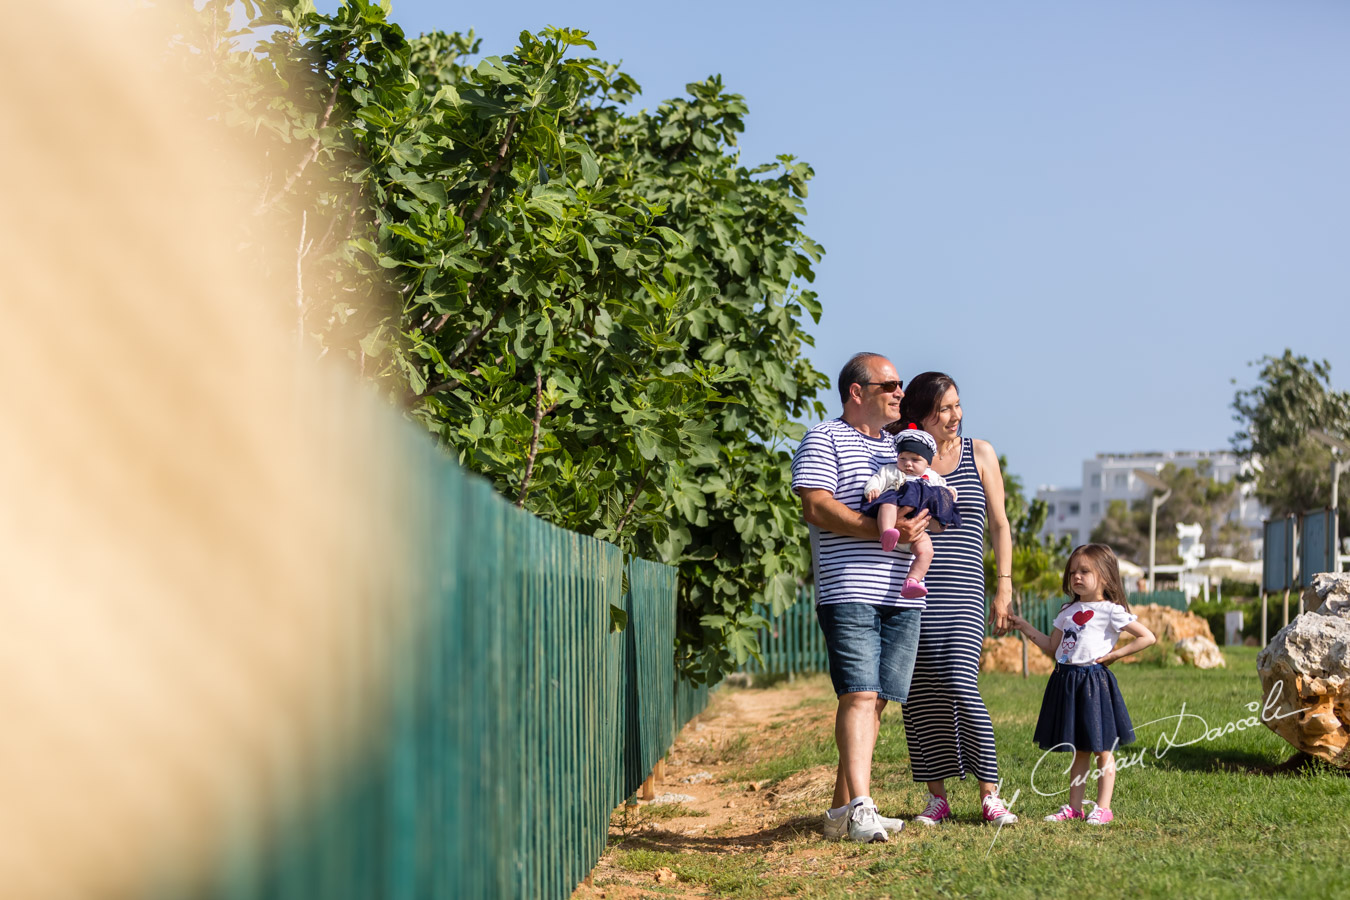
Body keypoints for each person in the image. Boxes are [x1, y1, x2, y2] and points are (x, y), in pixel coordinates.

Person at [791, 352, 931, 843]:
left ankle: (839, 814)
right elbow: (816, 506)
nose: (899, 392)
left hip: (903, 593)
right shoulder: (824, 437)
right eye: (889, 384)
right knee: (859, 694)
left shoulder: (903, 447)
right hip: (849, 589)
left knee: (876, 704)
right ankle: (863, 807)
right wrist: (879, 530)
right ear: (857, 392)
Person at [896, 372, 1020, 826]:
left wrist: (1003, 586)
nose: (956, 416)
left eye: (957, 405)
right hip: (914, 589)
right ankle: (938, 797)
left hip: (965, 592)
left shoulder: (979, 453)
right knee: (922, 692)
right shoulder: (902, 459)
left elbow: (1002, 525)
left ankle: (990, 794)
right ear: (920, 417)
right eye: (943, 409)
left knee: (961, 682)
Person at [1007, 543, 1157, 824]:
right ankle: (1074, 807)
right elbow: (1053, 647)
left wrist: (1115, 655)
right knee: (1079, 749)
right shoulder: (1067, 611)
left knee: (1103, 749)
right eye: (1073, 571)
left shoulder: (1111, 611)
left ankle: (1103, 808)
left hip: (1094, 683)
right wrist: (1024, 626)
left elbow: (1147, 637)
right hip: (1066, 681)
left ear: (1106, 576)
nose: (1076, 576)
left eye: (1085, 571)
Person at [860, 424, 961, 599]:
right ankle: (886, 534)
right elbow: (877, 479)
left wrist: (952, 494)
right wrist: (872, 489)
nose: (907, 464)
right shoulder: (891, 470)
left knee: (927, 551)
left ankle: (912, 581)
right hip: (893, 519)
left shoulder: (932, 477)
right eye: (903, 458)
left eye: (915, 460)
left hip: (918, 531)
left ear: (928, 462)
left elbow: (946, 490)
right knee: (887, 503)